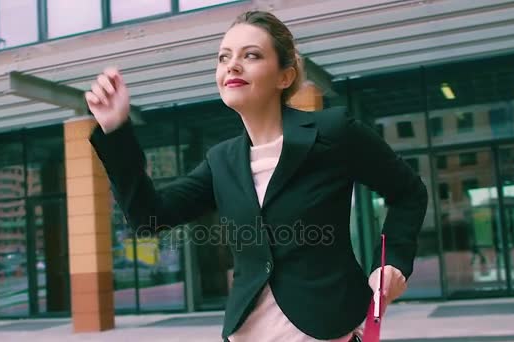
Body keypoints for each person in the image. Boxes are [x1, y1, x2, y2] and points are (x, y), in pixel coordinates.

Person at [85, 10, 428, 342]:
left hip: (327, 329)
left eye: (251, 55)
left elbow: (408, 192)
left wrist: (392, 262)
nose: (231, 65)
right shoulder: (222, 161)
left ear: (285, 76)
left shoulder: (334, 133)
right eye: (223, 58)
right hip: (246, 333)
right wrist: (115, 130)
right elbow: (149, 218)